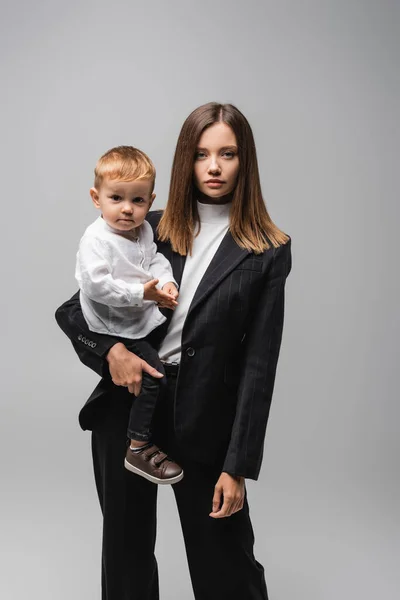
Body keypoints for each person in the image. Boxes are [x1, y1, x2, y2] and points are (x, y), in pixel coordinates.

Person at [55, 102, 292, 600]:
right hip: (129, 402)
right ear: (186, 159)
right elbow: (73, 311)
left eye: (227, 154)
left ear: (243, 161)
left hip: (206, 417)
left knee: (226, 564)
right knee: (126, 556)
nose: (213, 166)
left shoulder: (269, 249)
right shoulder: (147, 224)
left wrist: (238, 464)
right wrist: (110, 354)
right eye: (202, 153)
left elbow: (258, 366)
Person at [75, 145, 183, 484]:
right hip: (113, 325)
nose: (127, 209)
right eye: (116, 198)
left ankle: (141, 440)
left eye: (137, 201)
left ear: (150, 202)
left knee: (153, 376)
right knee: (152, 377)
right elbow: (96, 286)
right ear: (97, 198)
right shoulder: (96, 239)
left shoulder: (144, 230)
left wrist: (165, 284)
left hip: (135, 319)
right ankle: (137, 446)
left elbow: (155, 260)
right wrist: (142, 294)